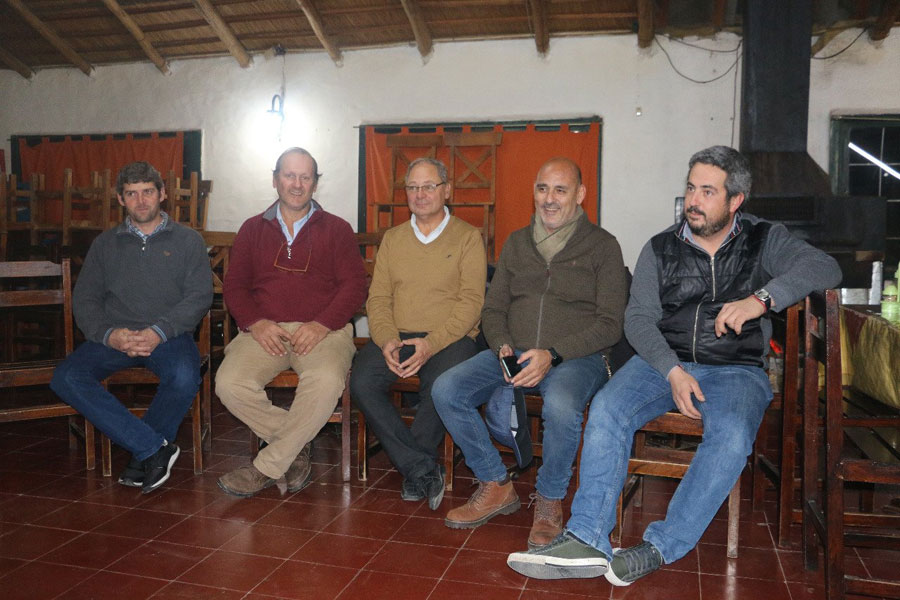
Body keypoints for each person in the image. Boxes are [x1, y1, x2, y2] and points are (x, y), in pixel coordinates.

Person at [507, 145, 842, 586]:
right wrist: (672, 370)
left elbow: (825, 267)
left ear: (736, 200)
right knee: (607, 409)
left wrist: (761, 300)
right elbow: (638, 319)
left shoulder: (764, 239)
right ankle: (588, 537)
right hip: (660, 362)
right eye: (691, 188)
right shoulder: (662, 247)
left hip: (735, 369)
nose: (693, 201)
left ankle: (661, 546)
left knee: (732, 437)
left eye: (708, 191)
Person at [432, 157, 628, 549]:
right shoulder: (517, 243)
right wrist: (502, 345)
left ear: (580, 194)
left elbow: (611, 324)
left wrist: (553, 354)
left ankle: (550, 500)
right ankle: (495, 483)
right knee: (446, 389)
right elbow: (493, 309)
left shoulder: (603, 246)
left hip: (577, 357)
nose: (549, 199)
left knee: (561, 406)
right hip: (514, 352)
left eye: (560, 190)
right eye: (542, 189)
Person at [51, 161, 212, 494]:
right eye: (132, 193)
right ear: (120, 199)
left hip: (168, 336)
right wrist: (111, 335)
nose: (141, 201)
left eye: (148, 192)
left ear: (162, 194)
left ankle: (145, 454)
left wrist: (158, 332)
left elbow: (199, 297)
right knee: (66, 377)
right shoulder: (104, 245)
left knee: (185, 376)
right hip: (115, 336)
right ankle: (152, 448)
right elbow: (85, 301)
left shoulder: (188, 241)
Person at [215, 147, 367, 498]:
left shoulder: (338, 229)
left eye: (305, 177)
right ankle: (297, 444)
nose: (297, 184)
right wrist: (256, 323)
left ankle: (265, 467)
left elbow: (354, 287)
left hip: (324, 331)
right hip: (265, 331)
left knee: (326, 380)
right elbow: (234, 287)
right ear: (275, 180)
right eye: (289, 175)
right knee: (229, 383)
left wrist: (322, 324)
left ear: (315, 183)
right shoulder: (252, 229)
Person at [350, 157, 486, 510]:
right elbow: (378, 298)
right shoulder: (393, 239)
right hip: (398, 334)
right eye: (412, 187)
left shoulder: (468, 237)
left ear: (446, 190)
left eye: (429, 186)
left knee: (442, 384)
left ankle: (416, 466)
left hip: (450, 338)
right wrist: (386, 339)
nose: (420, 194)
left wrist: (431, 344)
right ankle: (422, 468)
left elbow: (471, 303)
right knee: (362, 381)